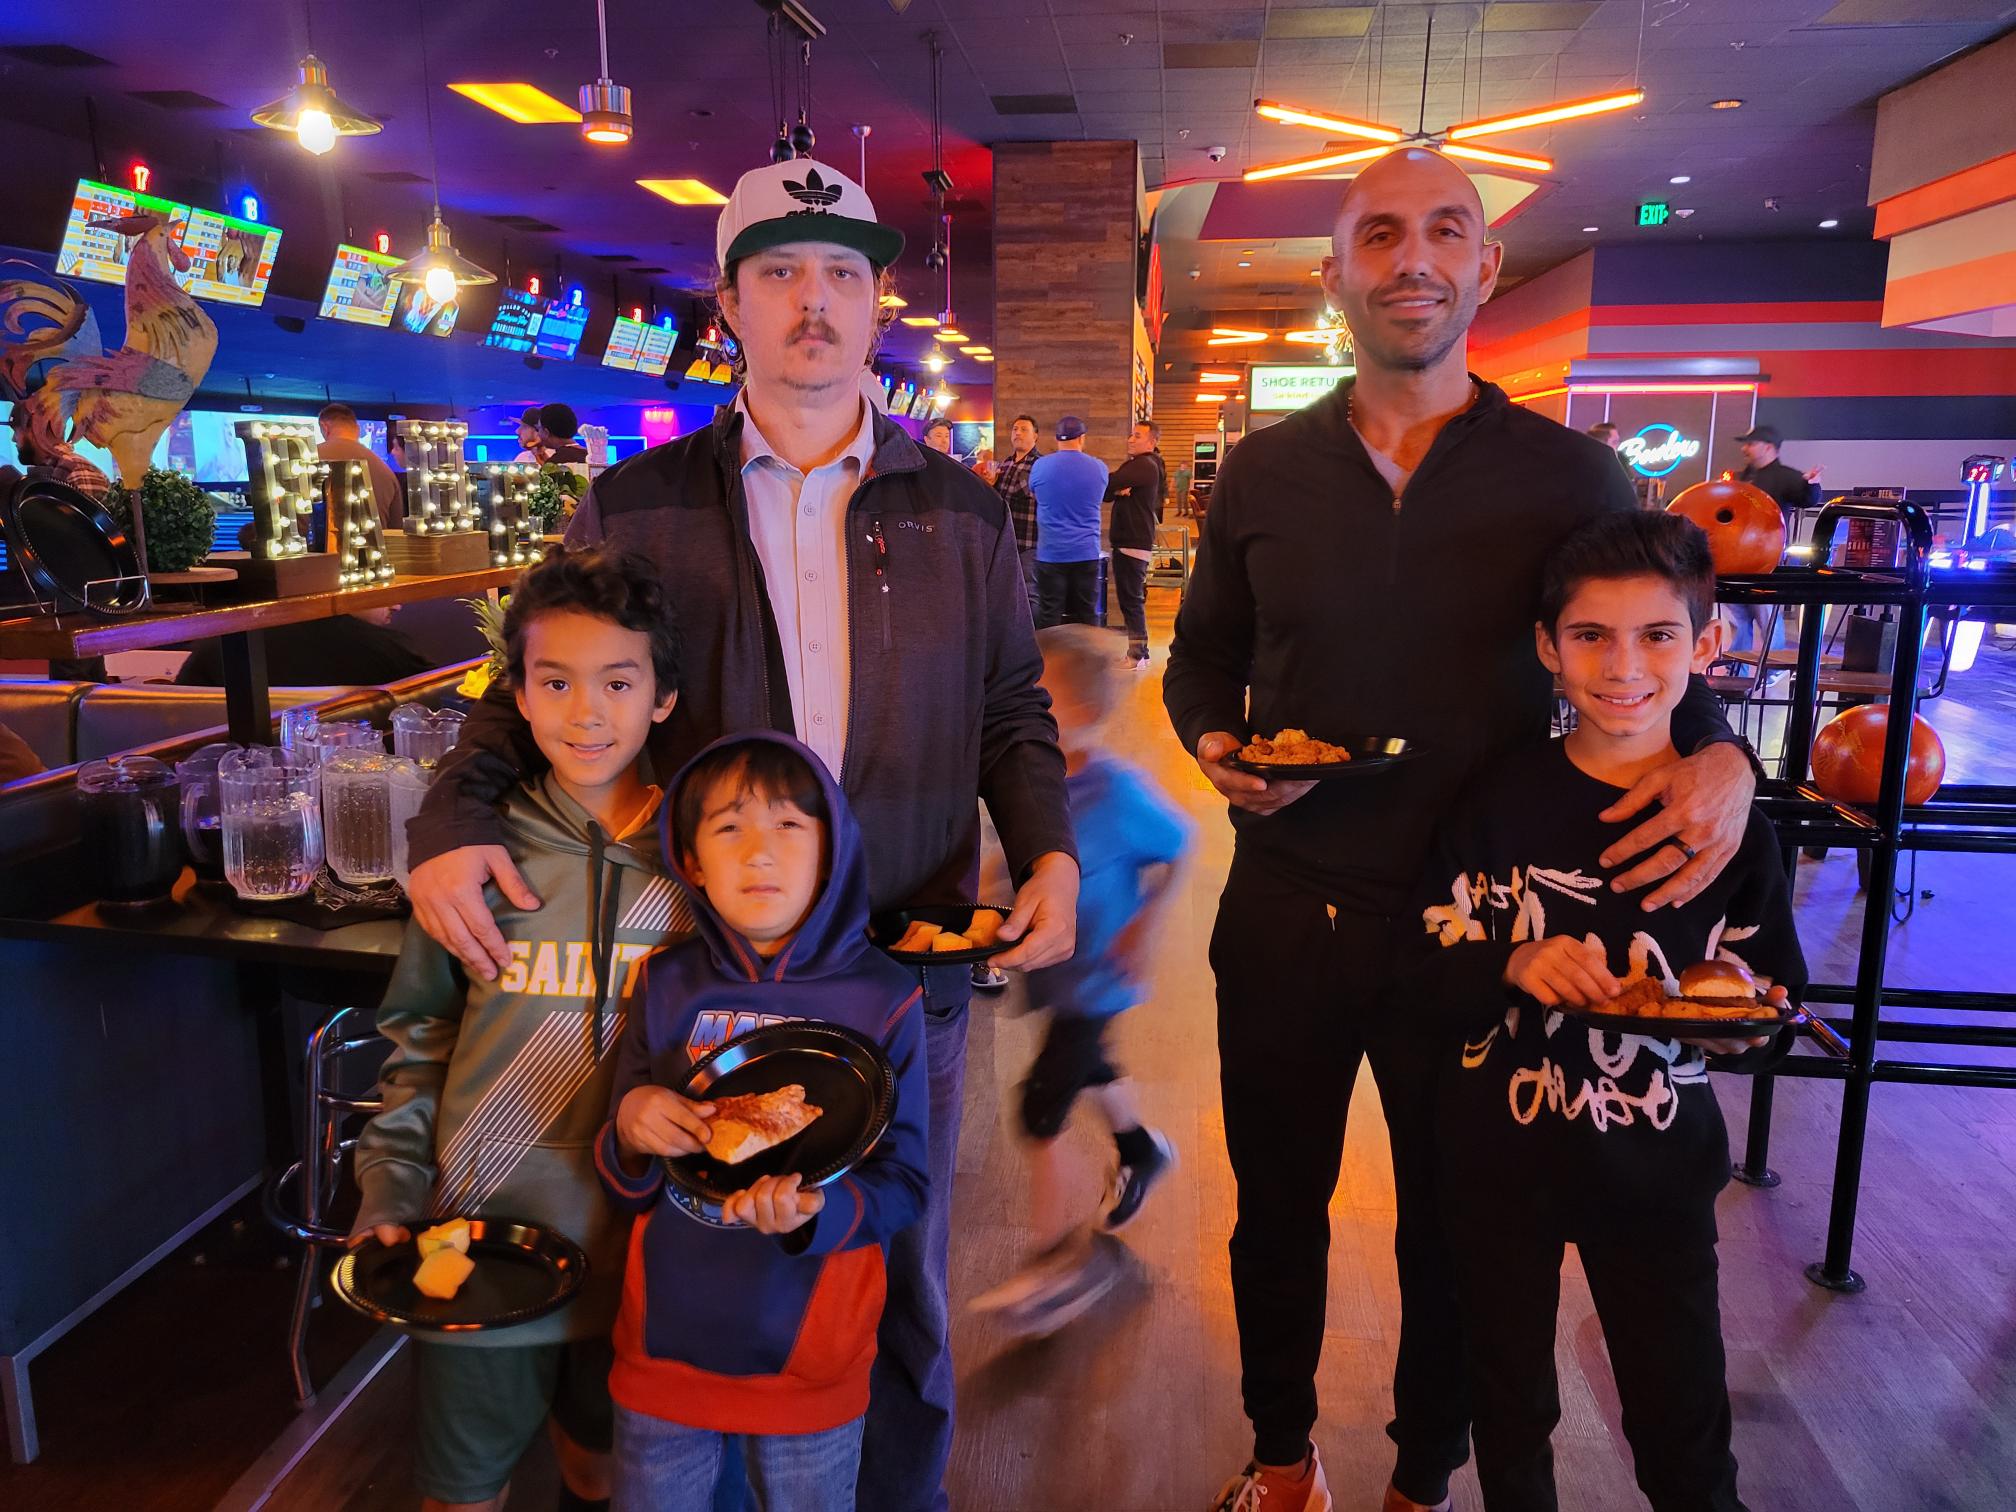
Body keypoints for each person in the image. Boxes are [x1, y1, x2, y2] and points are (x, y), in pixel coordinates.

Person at [400, 155, 1077, 1512]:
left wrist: (1051, 851)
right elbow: (526, 676)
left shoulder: (959, 510)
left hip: (904, 967)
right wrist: (448, 819)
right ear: (730, 306)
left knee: (895, 1259)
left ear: (875, 304)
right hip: (708, 968)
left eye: (841, 274)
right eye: (779, 273)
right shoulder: (638, 505)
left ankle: (896, 1498)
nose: (813, 301)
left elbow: (1012, 707)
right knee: (698, 1242)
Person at [1162, 147, 1760, 1512]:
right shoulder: (1264, 471)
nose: (1412, 259)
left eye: (1445, 231)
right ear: (1336, 273)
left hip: (1487, 924)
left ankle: (1421, 1479)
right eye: (1379, 234)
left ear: (1486, 268)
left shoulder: (1576, 475)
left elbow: (1649, 637)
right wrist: (1213, 747)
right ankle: (1280, 1458)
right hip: (1290, 907)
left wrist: (1724, 752)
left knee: (1455, 1225)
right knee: (1275, 1209)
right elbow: (1204, 657)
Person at [1397, 511, 1807, 1511]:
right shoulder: (1493, 802)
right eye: (1590, 635)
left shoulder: (1730, 832)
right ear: (1548, 647)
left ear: (1706, 646)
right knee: (1510, 1410)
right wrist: (1514, 959)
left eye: (1658, 635)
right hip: (1497, 1162)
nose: (1623, 666)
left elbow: (1774, 1006)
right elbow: (1417, 972)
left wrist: (1742, 1025)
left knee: (1682, 1421)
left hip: (1660, 1172)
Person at [347, 546, 686, 1512]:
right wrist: (390, 1184)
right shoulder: (468, 861)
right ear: (520, 697)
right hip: (484, 1233)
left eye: (618, 682)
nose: (586, 712)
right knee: (462, 1488)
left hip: (642, 1245)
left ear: (663, 698)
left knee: (602, 1469)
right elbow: (419, 1039)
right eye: (556, 681)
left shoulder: (699, 863)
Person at [599, 732, 929, 1512]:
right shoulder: (664, 982)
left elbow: (907, 1183)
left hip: (812, 1359)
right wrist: (632, 1126)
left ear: (832, 849)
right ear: (691, 861)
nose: (759, 853)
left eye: (788, 825)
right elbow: (622, 1176)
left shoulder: (885, 996)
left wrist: (818, 1212)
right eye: (728, 828)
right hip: (663, 1348)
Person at [971, 625, 1188, 1334]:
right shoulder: (1038, 782)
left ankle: (1060, 1263)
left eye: (1043, 698)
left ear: (1087, 713)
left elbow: (1180, 846)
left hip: (1099, 977)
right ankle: (1141, 1150)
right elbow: (1017, 857)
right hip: (1060, 974)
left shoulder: (1119, 792)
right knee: (1090, 1064)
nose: (1023, 710)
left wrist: (1142, 928)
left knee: (1039, 1114)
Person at [1029, 416, 1109, 630]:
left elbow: (1035, 494)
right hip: (1086, 552)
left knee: (1049, 614)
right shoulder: (1099, 468)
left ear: (1057, 439)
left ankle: (1050, 653)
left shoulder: (1040, 466)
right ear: (1082, 438)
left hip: (1050, 553)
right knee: (1087, 614)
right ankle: (1088, 653)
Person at [1106, 420, 1166, 668]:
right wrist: (1116, 489)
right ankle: (1142, 652)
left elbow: (1108, 482)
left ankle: (1137, 655)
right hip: (1131, 541)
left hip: (1132, 540)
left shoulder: (1144, 465)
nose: (1130, 439)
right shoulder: (1143, 465)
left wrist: (1115, 487)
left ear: (1152, 442)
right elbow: (1108, 492)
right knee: (1131, 599)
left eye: (1137, 436)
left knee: (1131, 601)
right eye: (1131, 434)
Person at [317, 402, 405, 534]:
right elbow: (396, 531)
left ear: (325, 427)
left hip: (324, 546)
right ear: (357, 429)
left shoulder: (311, 458)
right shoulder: (385, 471)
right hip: (378, 545)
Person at [994, 414, 1043, 610]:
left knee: (1030, 595)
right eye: (1015, 429)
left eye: (1024, 430)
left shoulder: (1041, 465)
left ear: (1035, 436)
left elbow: (1032, 493)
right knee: (1006, 594)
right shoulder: (1005, 464)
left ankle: (1034, 631)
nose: (1018, 433)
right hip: (1006, 540)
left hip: (1029, 542)